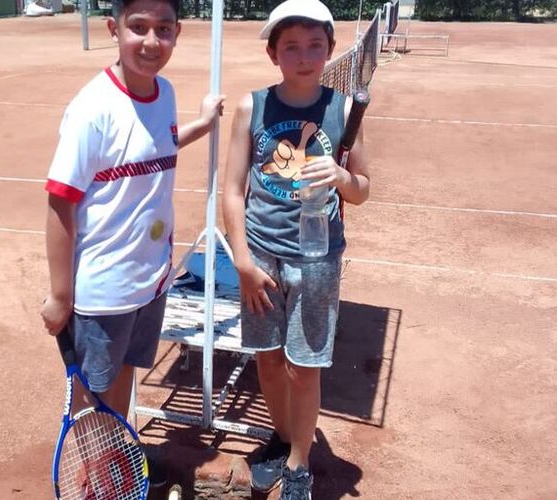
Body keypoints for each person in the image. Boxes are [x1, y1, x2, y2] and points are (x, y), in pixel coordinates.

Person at [40, 0, 224, 488]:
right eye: (137, 27)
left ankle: (114, 463)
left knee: (121, 380)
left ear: (177, 33)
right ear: (112, 28)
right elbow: (60, 203)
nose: (150, 41)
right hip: (103, 289)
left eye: (163, 29)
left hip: (151, 279)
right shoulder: (91, 108)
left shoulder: (163, 92)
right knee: (93, 397)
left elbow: (154, 143)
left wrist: (201, 127)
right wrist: (61, 295)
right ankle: (96, 482)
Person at [222, 0, 370, 498]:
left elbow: (363, 189)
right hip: (261, 255)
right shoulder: (252, 106)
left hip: (317, 259)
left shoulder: (344, 109)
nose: (304, 56)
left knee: (303, 367)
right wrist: (241, 260)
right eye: (291, 47)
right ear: (273, 54)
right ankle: (282, 437)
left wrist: (343, 176)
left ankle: (299, 462)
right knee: (267, 359)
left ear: (329, 50)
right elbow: (232, 190)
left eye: (314, 46)